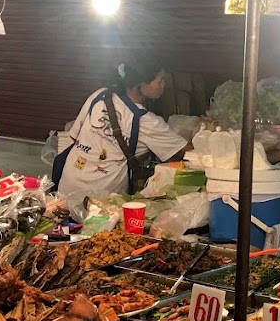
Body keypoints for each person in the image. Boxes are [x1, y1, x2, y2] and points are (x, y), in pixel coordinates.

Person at [54, 53, 188, 215]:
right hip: (102, 200)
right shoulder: (147, 122)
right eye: (159, 81)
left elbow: (74, 136)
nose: (163, 85)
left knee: (65, 232)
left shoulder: (100, 95)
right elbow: (187, 153)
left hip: (68, 186)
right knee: (99, 237)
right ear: (141, 84)